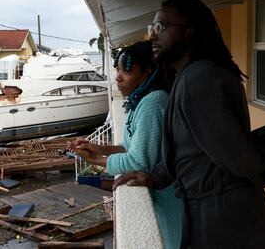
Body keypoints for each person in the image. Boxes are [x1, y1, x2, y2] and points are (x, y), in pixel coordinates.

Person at [113, 0, 265, 249]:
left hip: (227, 223)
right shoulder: (192, 76)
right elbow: (192, 151)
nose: (152, 36)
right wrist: (155, 175)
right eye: (152, 28)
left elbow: (240, 159)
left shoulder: (199, 81)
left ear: (188, 33)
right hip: (216, 214)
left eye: (161, 27)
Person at [70, 40, 183, 249]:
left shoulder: (153, 102)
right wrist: (98, 148)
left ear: (146, 73)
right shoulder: (140, 100)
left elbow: (138, 161)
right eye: (118, 70)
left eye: (127, 71)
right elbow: (131, 145)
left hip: (170, 199)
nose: (118, 77)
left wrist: (96, 160)